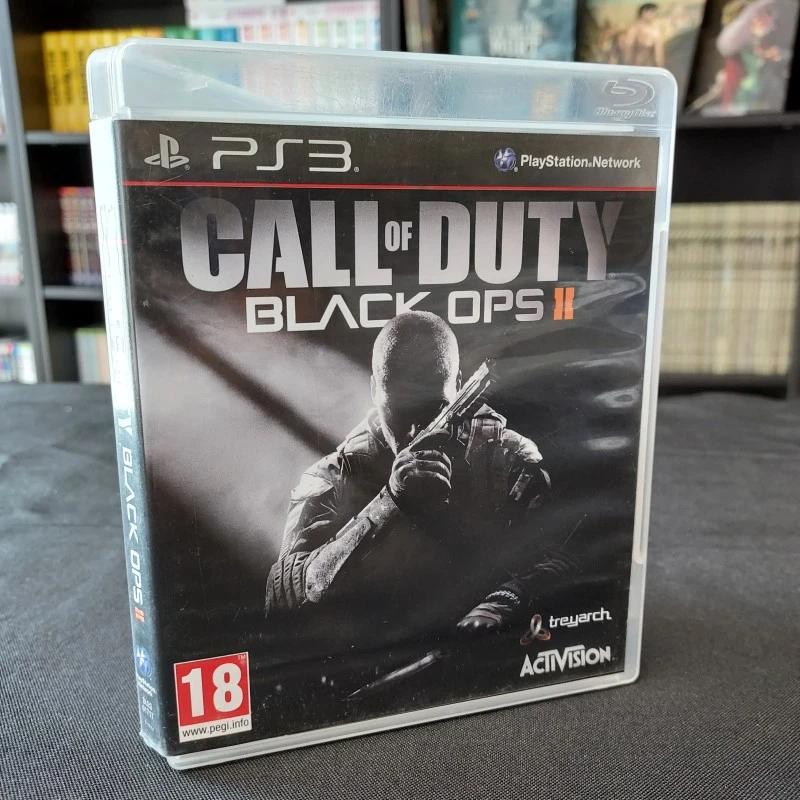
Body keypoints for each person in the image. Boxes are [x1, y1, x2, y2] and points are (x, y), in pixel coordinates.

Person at [265, 311, 568, 644]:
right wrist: (390, 502)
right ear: (374, 390)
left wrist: (504, 601)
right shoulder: (334, 475)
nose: (414, 433)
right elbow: (282, 598)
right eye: (400, 412)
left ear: (457, 386)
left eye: (432, 410)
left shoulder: (507, 457)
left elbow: (558, 556)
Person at [620, 3, 665, 67]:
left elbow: (658, 55)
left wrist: (660, 67)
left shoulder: (655, 32)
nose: (654, 15)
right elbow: (628, 49)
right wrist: (627, 66)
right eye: (652, 12)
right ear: (644, 12)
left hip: (648, 67)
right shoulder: (634, 29)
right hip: (633, 66)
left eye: (654, 12)